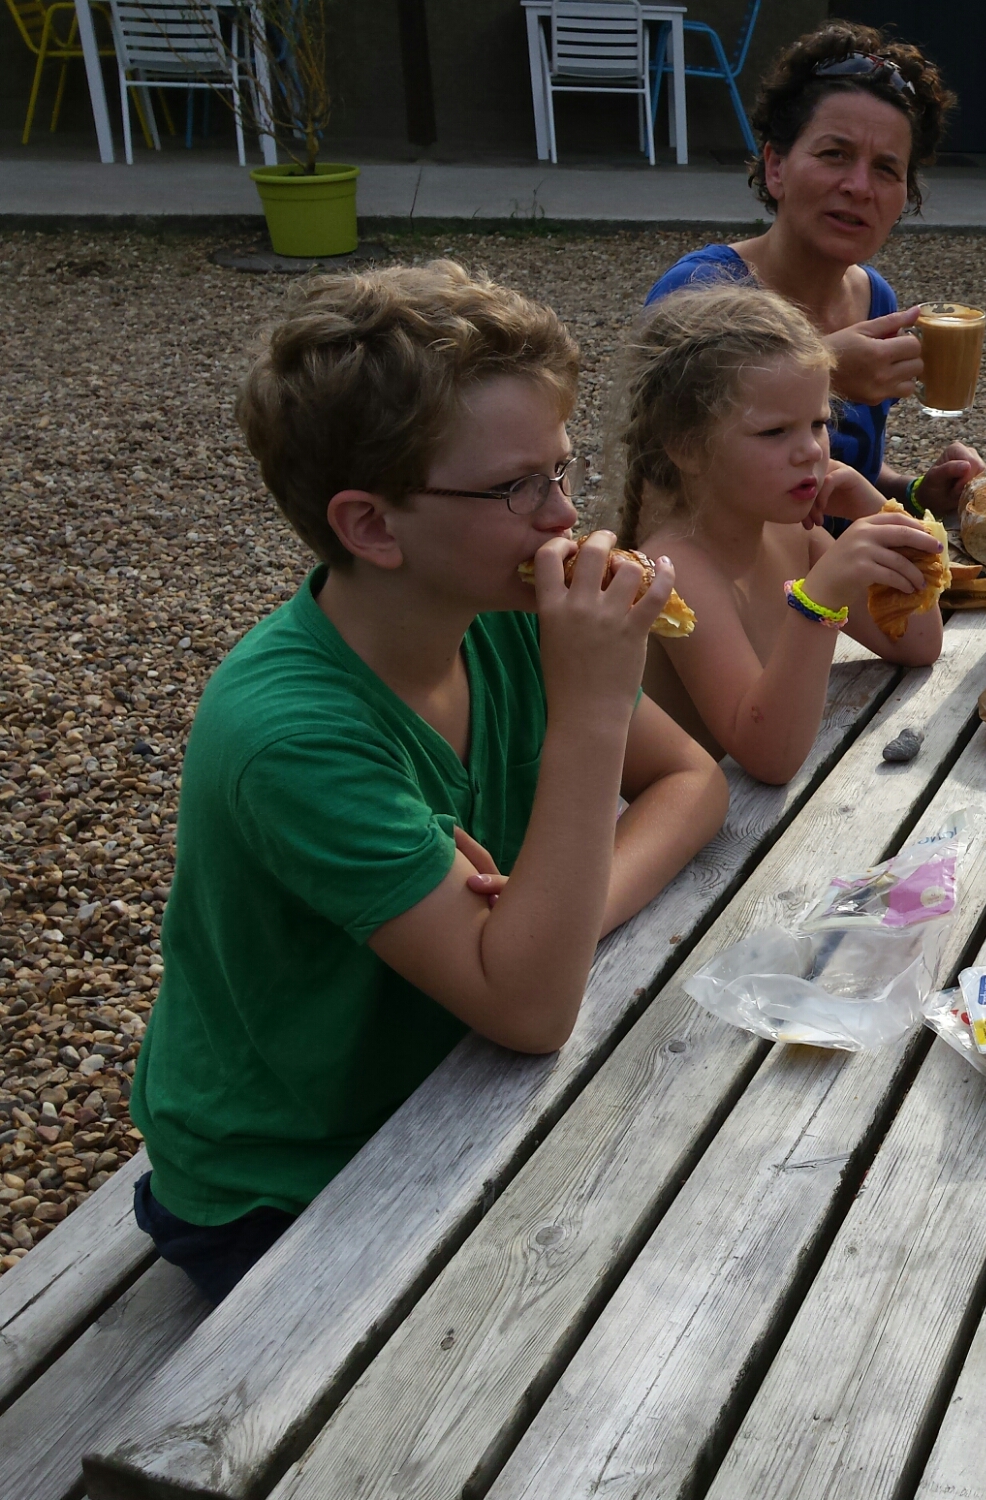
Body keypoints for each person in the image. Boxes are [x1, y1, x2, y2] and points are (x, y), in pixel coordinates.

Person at [130, 262, 728, 1301]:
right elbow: (532, 1010)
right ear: (371, 526)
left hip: (458, 1074)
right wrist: (591, 712)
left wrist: (551, 913)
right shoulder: (293, 734)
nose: (564, 514)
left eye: (561, 467)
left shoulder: (501, 616)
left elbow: (691, 781)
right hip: (288, 1180)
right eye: (516, 486)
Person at [644, 21, 984, 527]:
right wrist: (823, 370)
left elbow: (845, 477)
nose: (859, 186)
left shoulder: (874, 298)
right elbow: (656, 492)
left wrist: (916, 493)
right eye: (834, 154)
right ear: (775, 168)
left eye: (886, 169)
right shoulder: (700, 292)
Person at [616, 283, 945, 785]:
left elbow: (916, 643)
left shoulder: (793, 533)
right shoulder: (673, 571)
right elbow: (770, 757)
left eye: (817, 423)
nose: (810, 450)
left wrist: (876, 509)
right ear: (686, 448)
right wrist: (819, 600)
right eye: (774, 432)